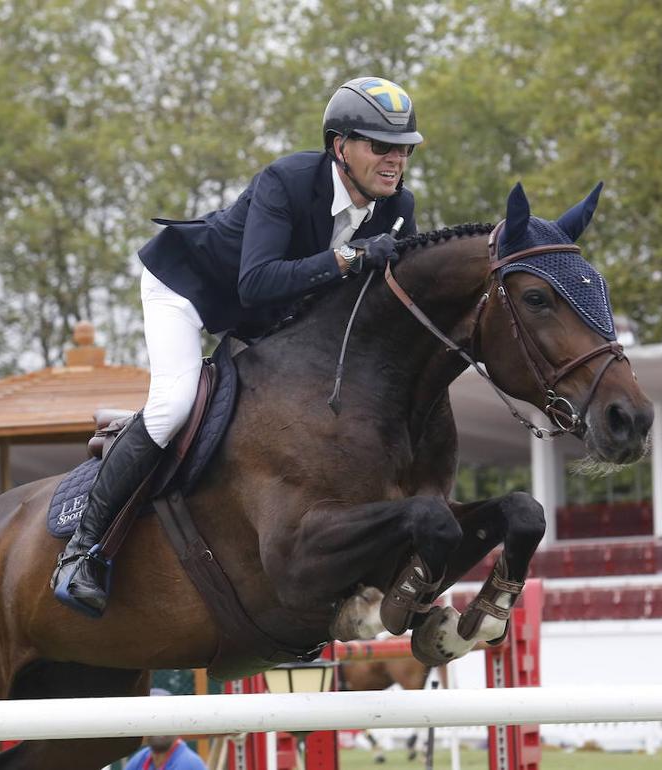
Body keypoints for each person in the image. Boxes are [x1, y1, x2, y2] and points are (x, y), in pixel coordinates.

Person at [52, 76, 422, 616]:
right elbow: (258, 281)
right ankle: (84, 550)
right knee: (174, 403)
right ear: (340, 146)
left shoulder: (397, 207)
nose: (396, 159)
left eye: (404, 148)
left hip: (267, 317)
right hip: (190, 290)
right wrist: (350, 258)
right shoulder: (288, 181)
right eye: (381, 146)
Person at [123, 689, 208, 770]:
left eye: (165, 717)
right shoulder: (139, 761)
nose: (159, 725)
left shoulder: (191, 765)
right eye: (153, 717)